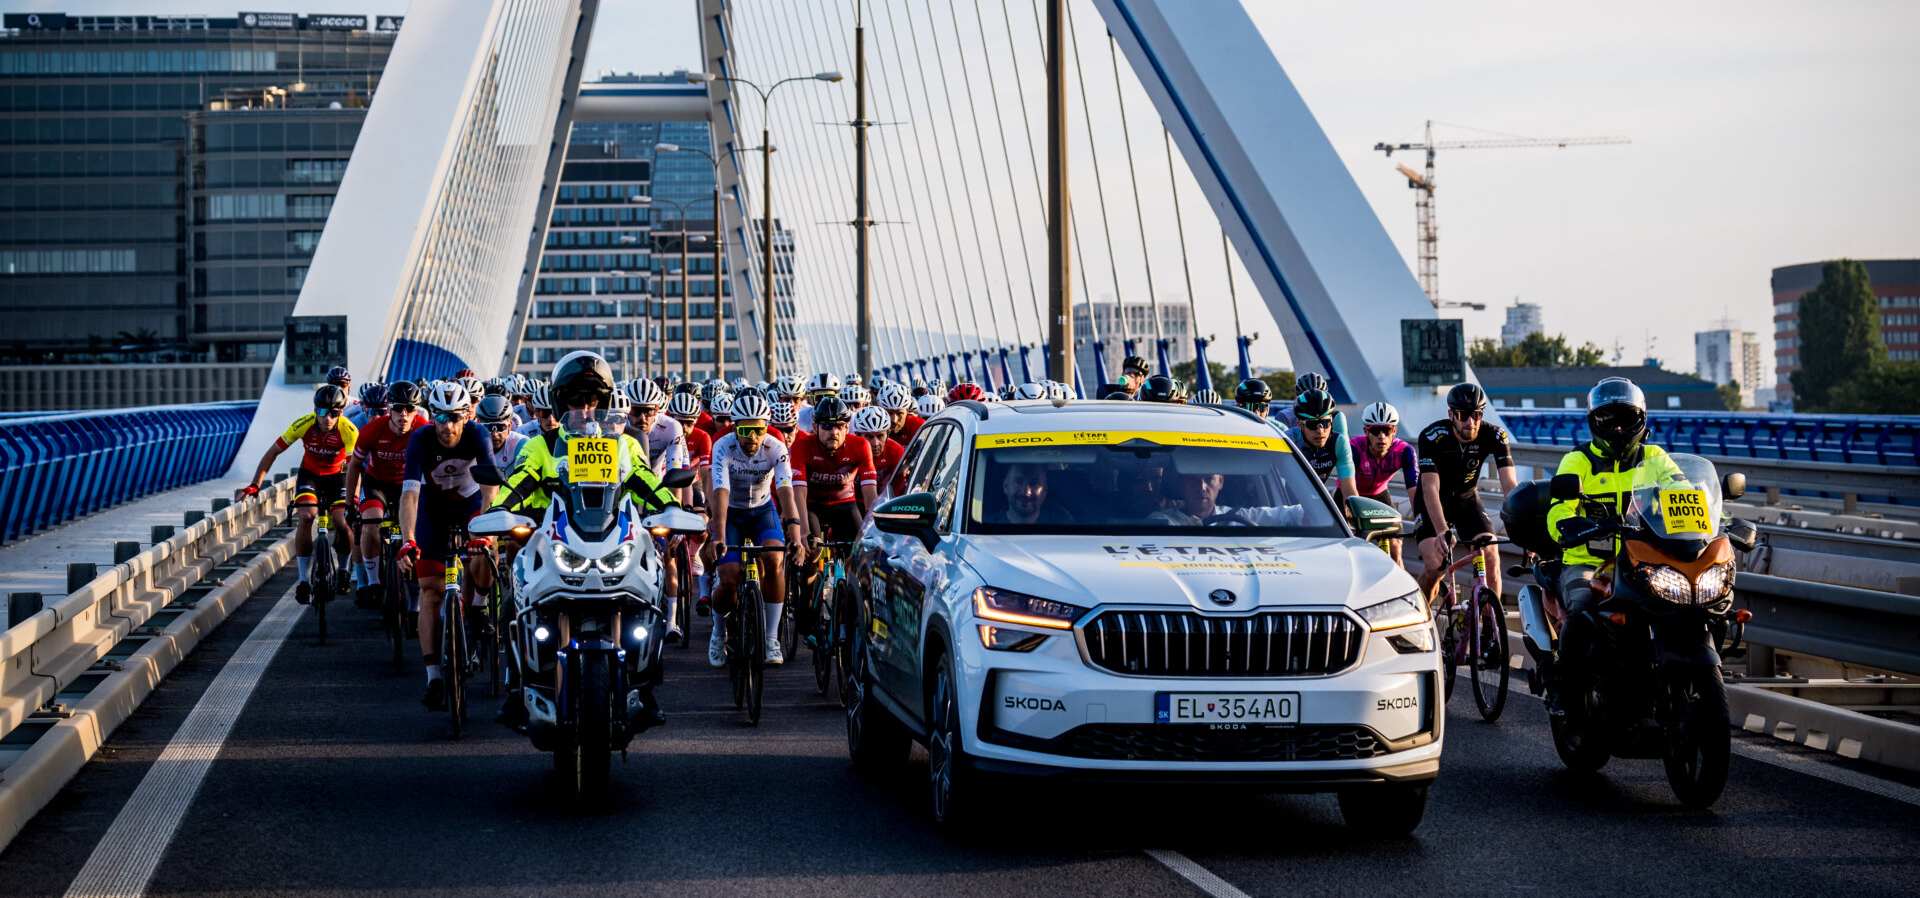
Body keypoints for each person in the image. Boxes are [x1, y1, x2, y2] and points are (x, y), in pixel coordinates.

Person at [490, 352, 678, 722]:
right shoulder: (540, 446)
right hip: (551, 539)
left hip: (613, 539)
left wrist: (674, 509)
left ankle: (645, 686)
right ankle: (516, 687)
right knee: (513, 600)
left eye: (593, 400)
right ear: (561, 404)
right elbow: (519, 482)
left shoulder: (625, 445)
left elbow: (647, 482)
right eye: (577, 401)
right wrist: (497, 511)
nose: (586, 409)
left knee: (649, 591)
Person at [1545, 377, 1683, 716]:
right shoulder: (1578, 461)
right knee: (1581, 610)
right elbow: (1558, 509)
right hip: (1589, 562)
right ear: (1594, 422)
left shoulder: (1655, 458)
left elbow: (1686, 493)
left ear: (1641, 419)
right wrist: (1568, 524)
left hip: (1645, 561)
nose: (1618, 428)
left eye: (1626, 418)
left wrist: (1719, 520)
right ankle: (1565, 689)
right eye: (1608, 419)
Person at [395, 381, 506, 710]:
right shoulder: (420, 439)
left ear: (466, 416)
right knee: (430, 590)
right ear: (432, 417)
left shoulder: (478, 435)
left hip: (470, 505)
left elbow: (489, 490)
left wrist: (485, 531)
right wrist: (408, 540)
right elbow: (410, 494)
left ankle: (479, 606)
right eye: (441, 418)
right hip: (433, 510)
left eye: (455, 417)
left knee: (485, 551)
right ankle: (433, 677)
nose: (447, 426)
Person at [702, 391, 803, 668]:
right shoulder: (723, 446)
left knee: (774, 558)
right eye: (746, 430)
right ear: (735, 428)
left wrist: (795, 533)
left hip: (762, 511)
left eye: (759, 429)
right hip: (731, 513)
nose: (753, 437)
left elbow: (786, 491)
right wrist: (719, 536)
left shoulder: (775, 447)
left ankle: (770, 639)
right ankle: (718, 631)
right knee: (729, 577)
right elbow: (720, 491)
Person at [237, 384, 359, 605]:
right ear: (315, 410)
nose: (327, 418)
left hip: (338, 477)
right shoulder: (304, 424)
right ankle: (303, 580)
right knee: (306, 516)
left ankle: (343, 569)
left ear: (341, 412)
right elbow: (273, 452)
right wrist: (255, 484)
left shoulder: (348, 430)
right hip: (310, 476)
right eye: (322, 412)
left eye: (334, 413)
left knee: (342, 521)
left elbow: (354, 468)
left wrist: (354, 498)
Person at [1413, 382, 1518, 604]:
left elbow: (1509, 484)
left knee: (1490, 554)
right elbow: (1430, 487)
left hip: (1466, 500)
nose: (1470, 422)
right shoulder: (1432, 436)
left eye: (1476, 415)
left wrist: (1523, 525)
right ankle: (1420, 615)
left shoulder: (1495, 435)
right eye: (1463, 415)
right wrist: (1442, 530)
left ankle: (1488, 621)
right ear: (1451, 414)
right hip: (1434, 500)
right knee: (1436, 566)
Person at [344, 381, 427, 608]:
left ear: (416, 410)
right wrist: (350, 503)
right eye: (398, 408)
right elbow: (354, 466)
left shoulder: (423, 429)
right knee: (370, 524)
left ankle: (415, 598)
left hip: (408, 485)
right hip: (377, 482)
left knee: (416, 532)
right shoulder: (372, 430)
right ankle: (373, 582)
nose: (404, 415)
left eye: (410, 409)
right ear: (389, 408)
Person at [1350, 401, 1418, 566]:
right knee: (1354, 548)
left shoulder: (1404, 451)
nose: (1381, 436)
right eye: (1375, 431)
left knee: (1395, 547)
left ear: (1394, 431)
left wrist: (1421, 517)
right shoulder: (1354, 448)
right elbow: (1346, 484)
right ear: (1366, 431)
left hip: (1379, 495)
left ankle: (1399, 580)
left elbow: (1414, 489)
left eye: (1386, 430)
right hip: (1351, 496)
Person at [1150, 472, 1307, 527]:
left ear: (1221, 482)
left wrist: (1314, 501)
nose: (1202, 487)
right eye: (1193, 480)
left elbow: (1295, 513)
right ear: (1182, 485)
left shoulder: (1238, 518)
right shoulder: (1161, 522)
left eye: (1208, 479)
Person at [1287, 389, 1358, 499]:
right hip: (1285, 499)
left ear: (1332, 422)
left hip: (1316, 500)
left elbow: (1349, 491)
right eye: (1312, 424)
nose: (1320, 431)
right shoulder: (1290, 441)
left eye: (1325, 423)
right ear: (1300, 425)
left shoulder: (1339, 443)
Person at [852, 405, 907, 497]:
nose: (875, 443)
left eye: (880, 436)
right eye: (869, 437)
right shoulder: (849, 448)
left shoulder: (896, 451)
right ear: (858, 436)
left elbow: (898, 488)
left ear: (887, 435)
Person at [994, 464, 1075, 525]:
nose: (1026, 492)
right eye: (1019, 481)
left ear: (1045, 491)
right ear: (1005, 486)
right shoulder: (988, 525)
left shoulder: (1063, 523)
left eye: (1034, 483)